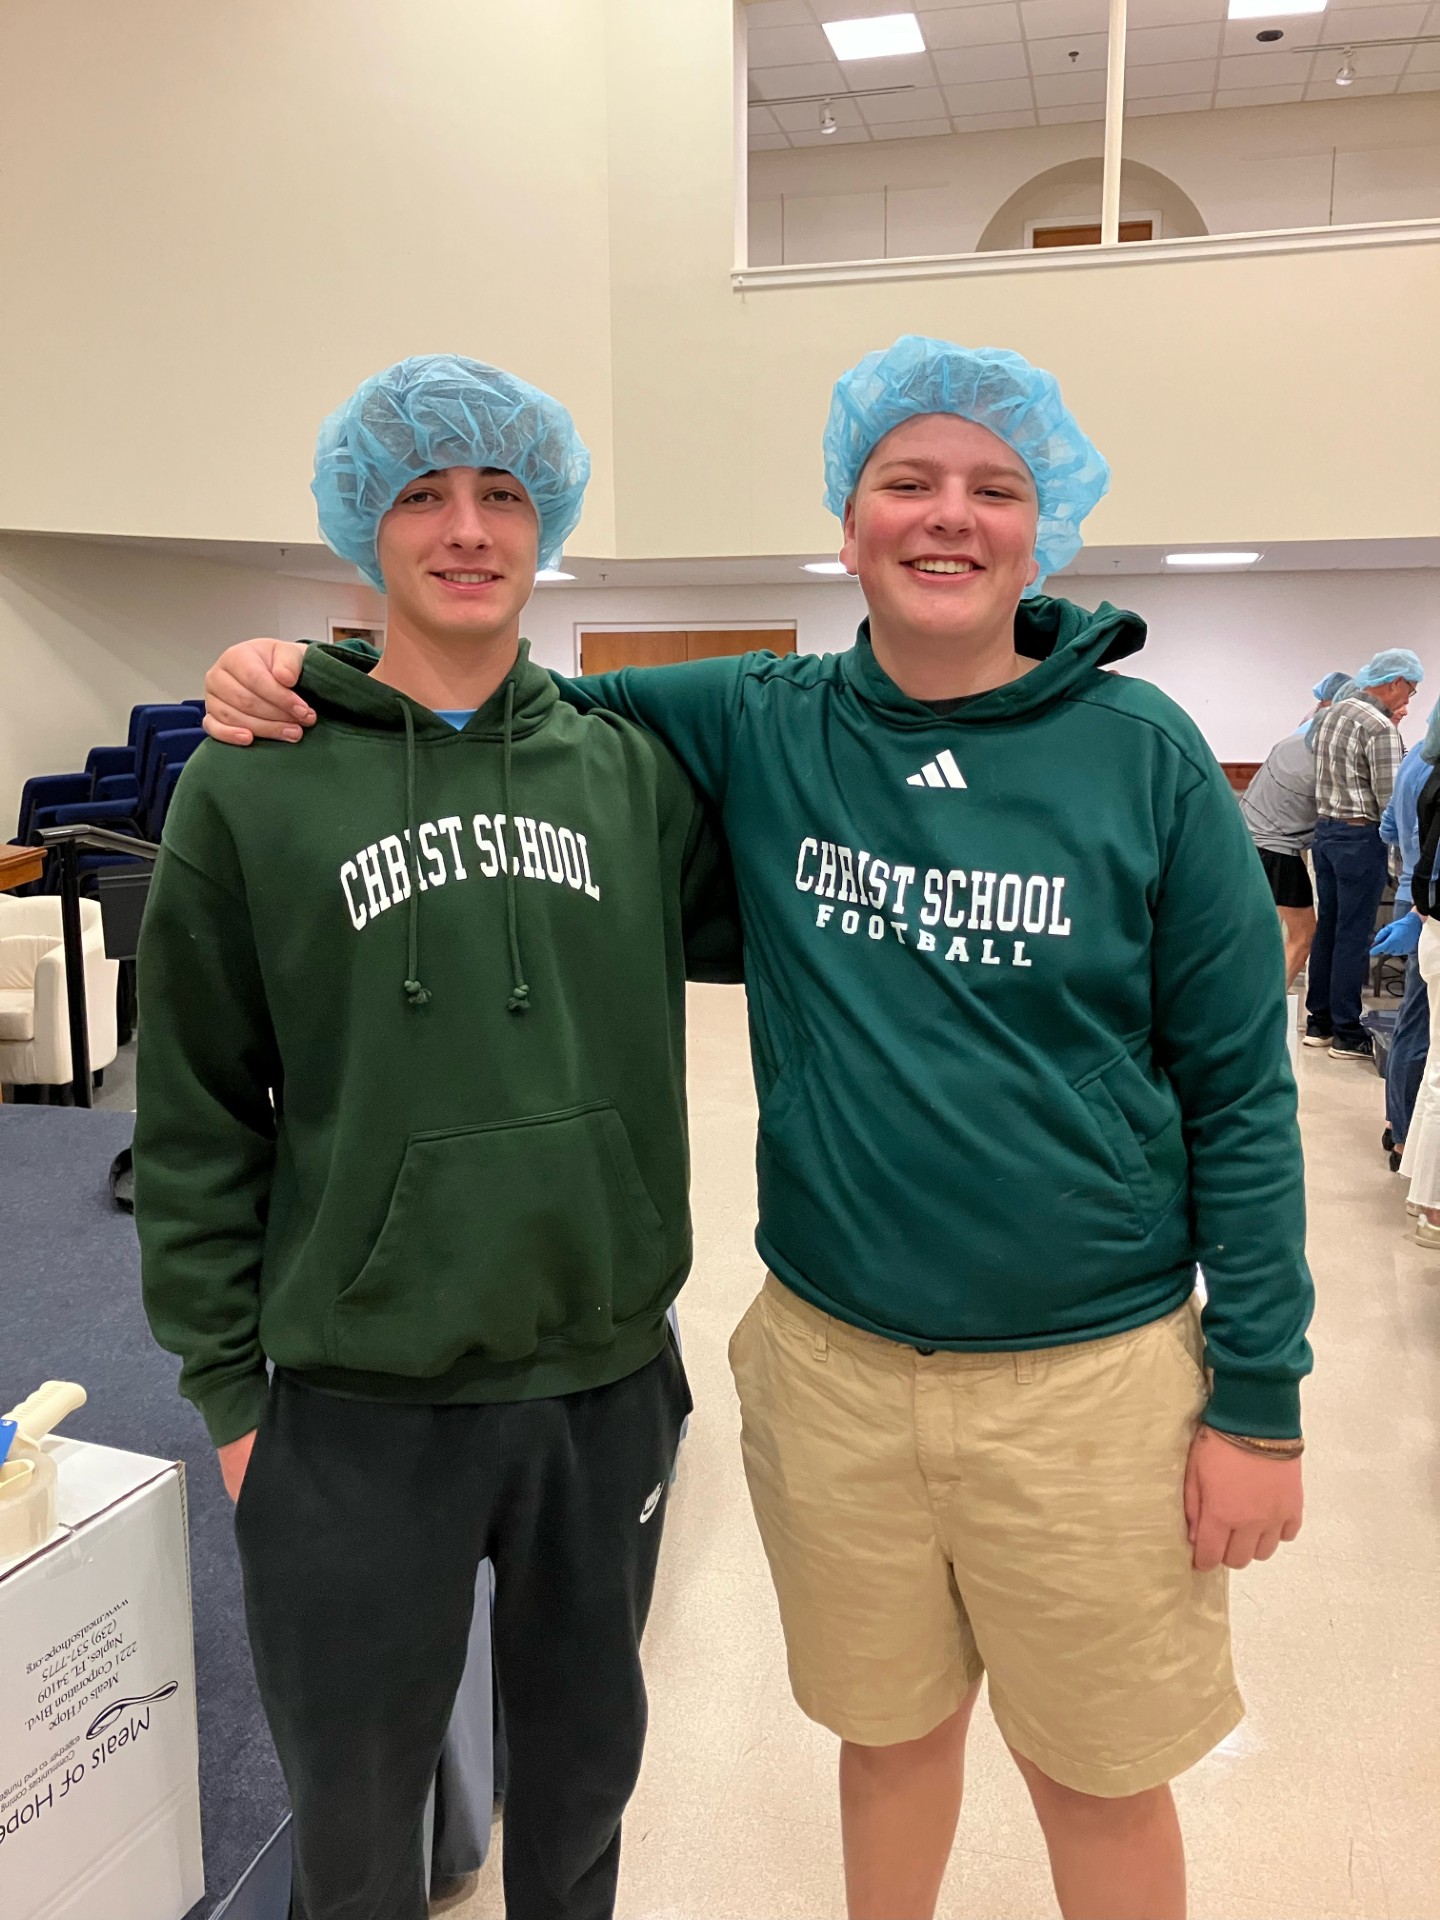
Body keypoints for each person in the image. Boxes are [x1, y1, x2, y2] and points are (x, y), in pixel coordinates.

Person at [202, 335, 1312, 1920]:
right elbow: (491, 698)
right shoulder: (760, 717)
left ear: (1043, 526)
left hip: (1088, 1379)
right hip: (832, 1365)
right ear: (847, 523)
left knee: (1098, 1773)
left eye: (993, 488)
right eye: (907, 480)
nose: (949, 515)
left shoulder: (1144, 759)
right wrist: (294, 672)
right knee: (889, 1739)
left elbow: (1245, 1095)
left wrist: (1258, 1402)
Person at [135, 355, 739, 1920]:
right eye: (423, 493)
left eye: (502, 494)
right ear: (366, 523)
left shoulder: (632, 773)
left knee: (581, 1807)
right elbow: (195, 1111)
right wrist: (229, 1395)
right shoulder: (252, 785)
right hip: (353, 1412)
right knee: (353, 1834)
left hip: (600, 1387)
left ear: (549, 524)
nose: (467, 529)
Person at [1304, 650, 1422, 1059]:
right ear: (1395, 682)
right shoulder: (1379, 726)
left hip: (1325, 834)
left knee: (1328, 928)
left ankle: (1318, 1022)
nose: (1409, 700)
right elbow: (1391, 803)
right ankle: (1347, 1032)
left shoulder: (1329, 715)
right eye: (1411, 690)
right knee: (1354, 935)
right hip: (1360, 838)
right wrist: (1403, 861)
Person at [1239, 670, 1350, 987]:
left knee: (1260, 935)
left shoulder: (1300, 735)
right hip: (1276, 850)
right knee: (1302, 937)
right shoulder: (1322, 749)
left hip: (1249, 841)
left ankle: (1253, 999)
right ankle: (1268, 1006)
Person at [1372, 711, 1438, 1172]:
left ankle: (1397, 1124)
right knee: (1421, 1027)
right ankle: (1406, 1140)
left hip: (1411, 896)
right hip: (1427, 908)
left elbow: (1388, 829)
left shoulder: (1415, 755)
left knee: (1410, 1022)